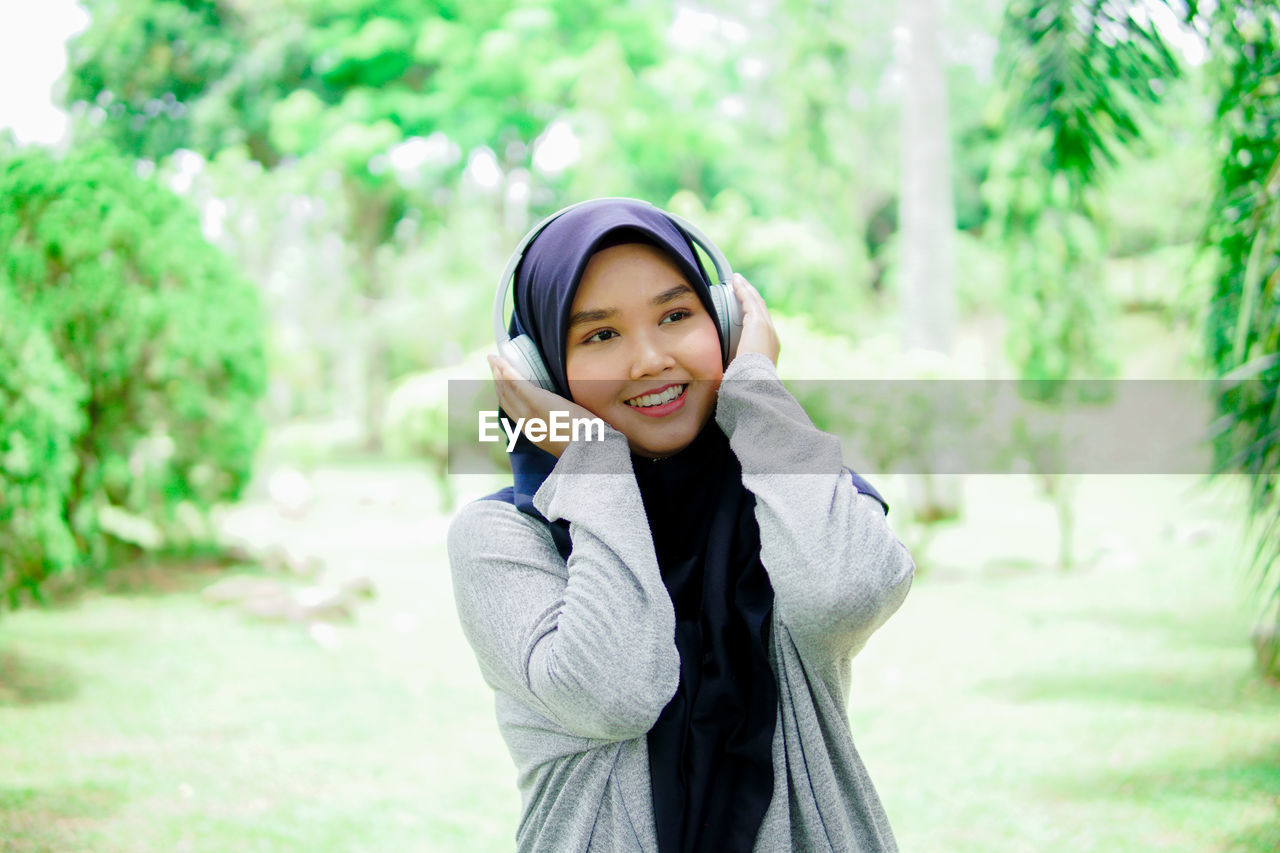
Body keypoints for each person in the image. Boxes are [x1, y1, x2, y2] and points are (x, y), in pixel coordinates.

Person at [447, 198, 915, 852]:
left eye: (676, 315)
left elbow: (847, 591)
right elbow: (614, 693)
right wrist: (593, 460)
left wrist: (754, 387)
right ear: (543, 371)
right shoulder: (503, 539)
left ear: (725, 323)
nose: (648, 360)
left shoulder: (790, 497)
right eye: (600, 335)